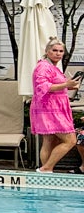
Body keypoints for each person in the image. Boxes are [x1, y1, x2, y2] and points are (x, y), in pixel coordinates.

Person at [31, 38, 78, 173]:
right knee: (70, 140)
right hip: (49, 108)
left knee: (49, 141)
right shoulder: (43, 67)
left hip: (54, 107)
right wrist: (66, 84)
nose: (58, 53)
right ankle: (46, 168)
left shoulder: (53, 67)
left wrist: (69, 87)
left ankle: (46, 172)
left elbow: (55, 86)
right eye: (55, 50)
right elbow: (42, 86)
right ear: (47, 51)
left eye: (61, 51)